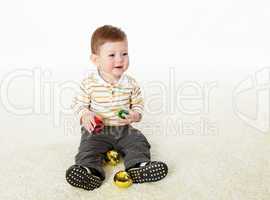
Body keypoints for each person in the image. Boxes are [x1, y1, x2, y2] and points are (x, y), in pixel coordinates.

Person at [66, 25, 168, 190]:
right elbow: (79, 103)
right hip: (97, 131)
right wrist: (85, 114)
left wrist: (135, 115)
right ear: (96, 59)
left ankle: (138, 166)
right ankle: (90, 171)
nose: (120, 59)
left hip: (123, 129)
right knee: (88, 148)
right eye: (112, 55)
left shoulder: (131, 84)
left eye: (124, 54)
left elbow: (138, 105)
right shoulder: (89, 83)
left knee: (138, 141)